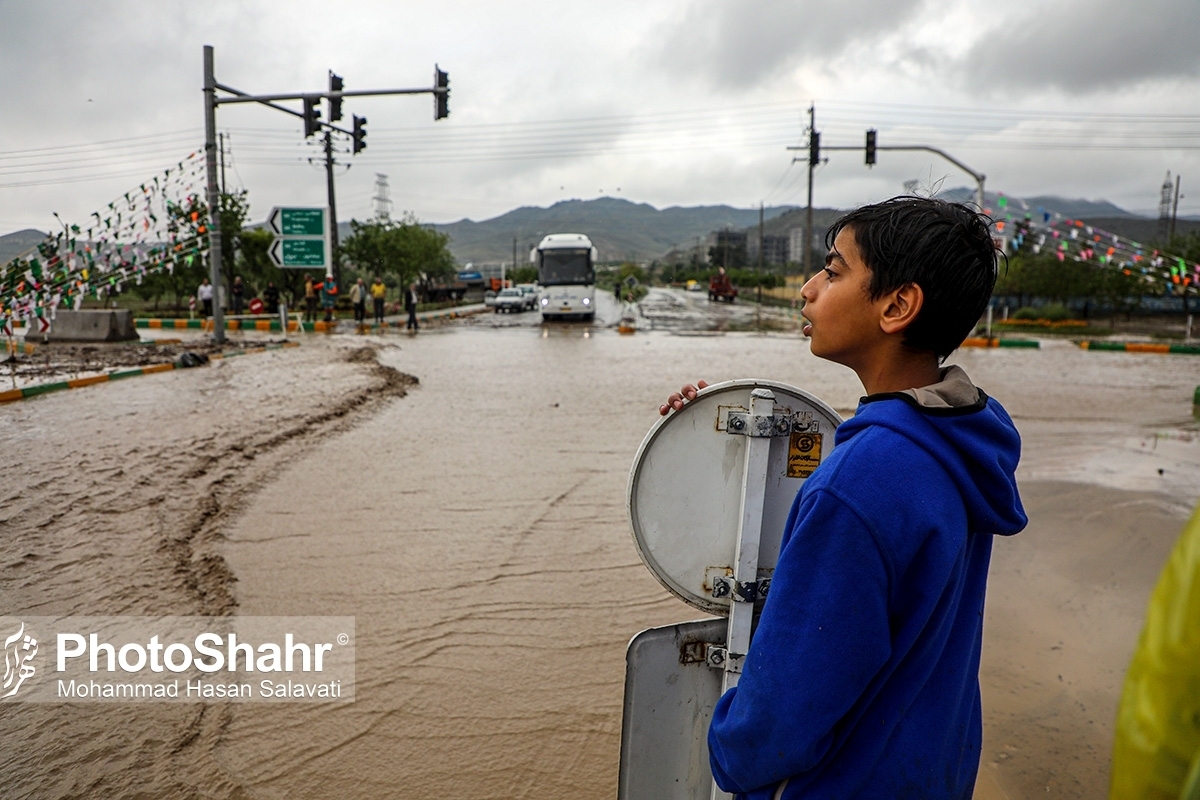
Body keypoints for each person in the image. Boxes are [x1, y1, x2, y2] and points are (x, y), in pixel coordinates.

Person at [661, 197, 1027, 799]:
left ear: (896, 306)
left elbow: (777, 723)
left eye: (833, 271)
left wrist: (727, 745)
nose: (807, 289)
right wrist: (701, 442)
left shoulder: (859, 484)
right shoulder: (954, 449)